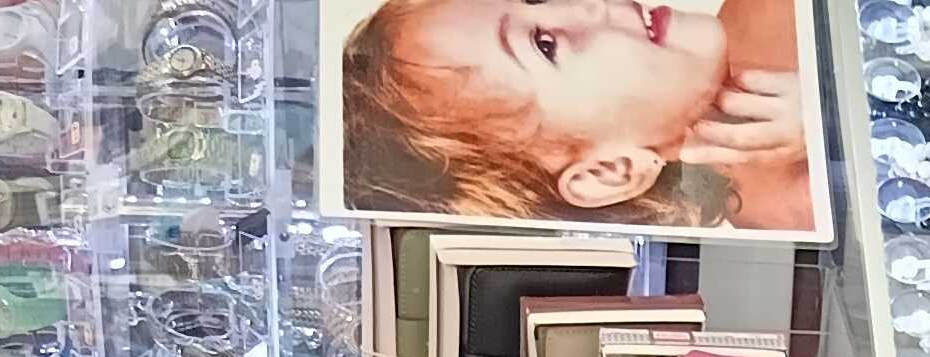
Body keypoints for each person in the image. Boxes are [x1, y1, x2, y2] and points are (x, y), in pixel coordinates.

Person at [335, 0, 816, 229]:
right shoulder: (800, 231)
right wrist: (837, 127)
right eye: (545, 45)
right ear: (608, 172)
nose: (587, 5)